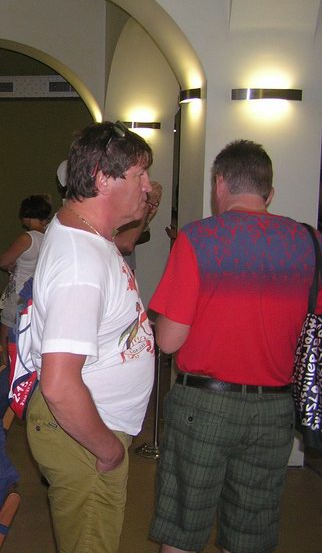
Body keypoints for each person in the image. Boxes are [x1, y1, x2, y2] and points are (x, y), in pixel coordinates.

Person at [148, 140, 321, 553]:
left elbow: (169, 341)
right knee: (250, 533)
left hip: (203, 406)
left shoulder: (197, 238)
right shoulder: (310, 242)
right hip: (275, 410)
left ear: (219, 184)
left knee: (183, 527)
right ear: (269, 193)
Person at [24, 121, 155, 553]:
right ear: (101, 178)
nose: (148, 186)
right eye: (139, 175)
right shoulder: (81, 264)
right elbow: (60, 385)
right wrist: (108, 450)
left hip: (89, 424)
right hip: (85, 433)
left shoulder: (87, 233)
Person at [0, 194, 52, 354]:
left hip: (19, 291)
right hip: (37, 292)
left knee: (6, 332)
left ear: (26, 215)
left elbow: (3, 261)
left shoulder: (27, 238)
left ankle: (5, 363)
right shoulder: (49, 237)